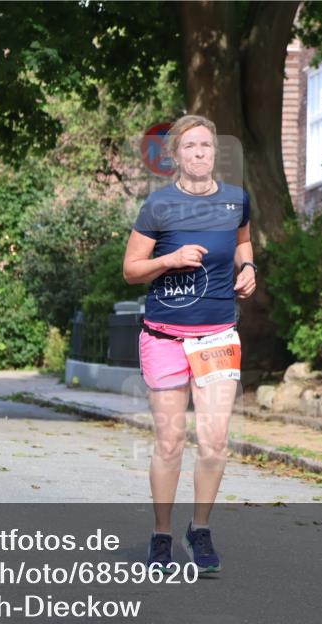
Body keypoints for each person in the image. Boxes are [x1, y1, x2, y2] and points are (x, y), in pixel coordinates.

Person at [122, 115, 256, 573]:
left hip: (218, 334)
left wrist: (249, 268)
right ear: (175, 155)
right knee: (171, 441)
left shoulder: (235, 201)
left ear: (214, 152)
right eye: (191, 147)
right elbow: (131, 270)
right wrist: (171, 258)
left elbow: (243, 242)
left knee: (215, 441)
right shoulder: (158, 207)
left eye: (207, 146)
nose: (200, 153)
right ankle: (161, 535)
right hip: (163, 336)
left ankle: (199, 529)